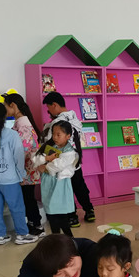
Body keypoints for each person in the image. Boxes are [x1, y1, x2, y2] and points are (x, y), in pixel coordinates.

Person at [0, 103, 38, 245]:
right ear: (5, 115)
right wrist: (21, 174)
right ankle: (22, 234)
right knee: (16, 207)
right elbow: (18, 157)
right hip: (10, 178)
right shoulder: (12, 135)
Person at [43, 92, 95, 227]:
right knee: (80, 186)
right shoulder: (75, 117)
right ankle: (89, 210)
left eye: (48, 107)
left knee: (66, 189)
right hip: (75, 160)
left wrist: (47, 159)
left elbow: (51, 143)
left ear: (54, 105)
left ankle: (72, 217)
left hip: (62, 162)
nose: (48, 111)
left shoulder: (57, 123)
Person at [4, 93, 44, 237]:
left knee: (28, 199)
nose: (5, 110)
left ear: (13, 105)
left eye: (5, 106)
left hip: (26, 170)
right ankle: (34, 223)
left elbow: (22, 149)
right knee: (27, 198)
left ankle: (36, 225)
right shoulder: (21, 123)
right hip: (26, 169)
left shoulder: (23, 125)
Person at [33, 120, 80, 236]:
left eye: (58, 134)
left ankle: (67, 240)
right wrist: (46, 159)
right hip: (48, 184)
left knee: (59, 216)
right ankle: (59, 240)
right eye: (53, 134)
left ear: (68, 136)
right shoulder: (50, 147)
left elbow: (57, 167)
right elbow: (36, 159)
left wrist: (45, 166)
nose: (55, 137)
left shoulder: (70, 152)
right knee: (52, 215)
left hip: (60, 185)